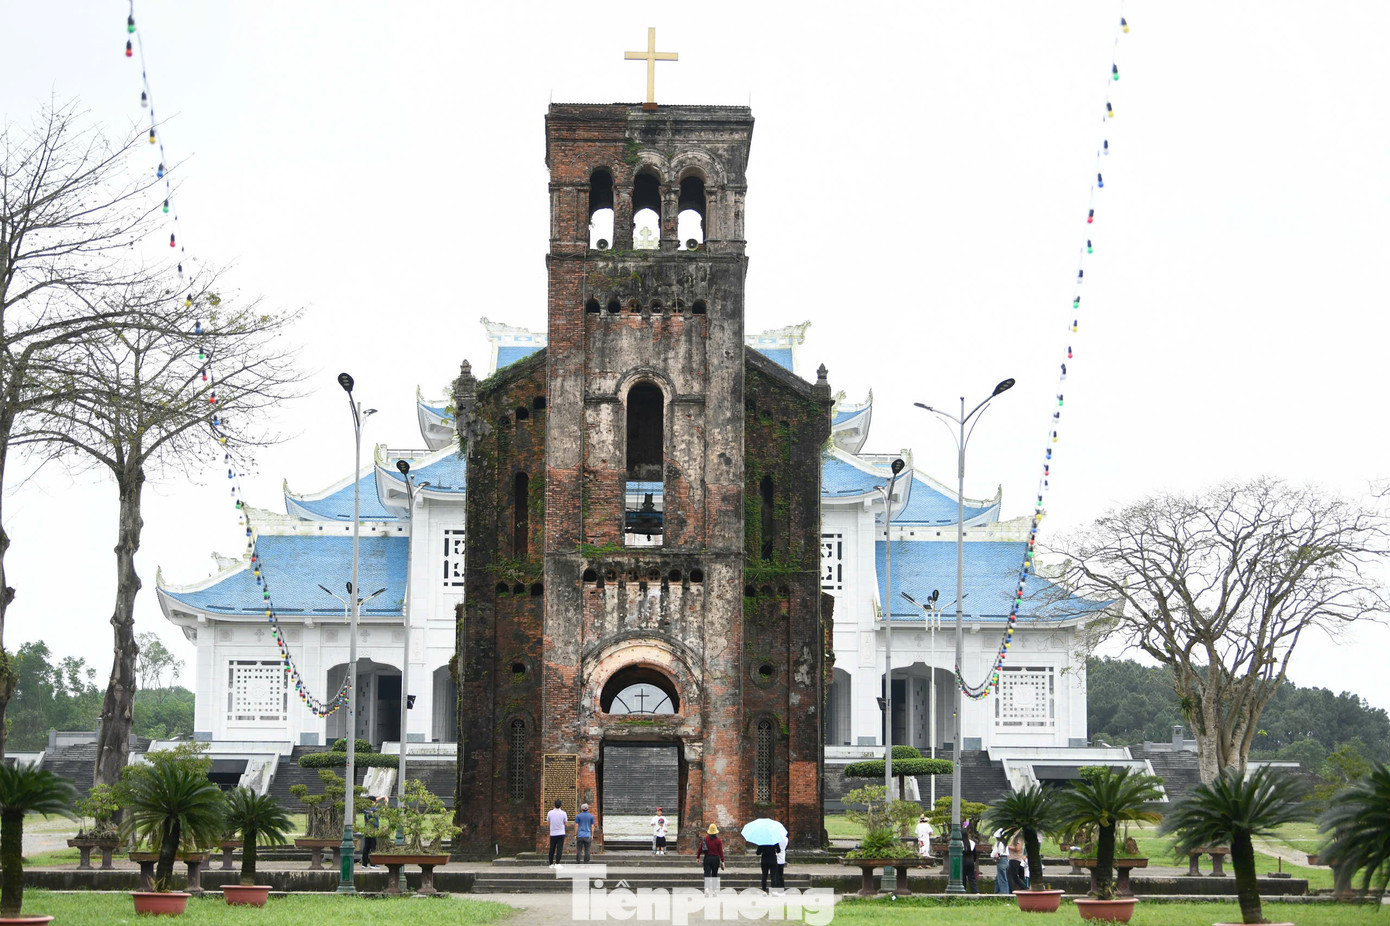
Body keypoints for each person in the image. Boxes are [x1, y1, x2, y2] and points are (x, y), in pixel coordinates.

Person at [696, 823, 725, 897]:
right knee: (714, 874)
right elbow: (720, 851)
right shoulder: (718, 841)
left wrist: (698, 857)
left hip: (707, 858)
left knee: (707, 874)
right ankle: (714, 891)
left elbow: (700, 848)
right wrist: (723, 861)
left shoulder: (705, 839)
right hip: (716, 859)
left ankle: (707, 889)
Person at [361, 795, 387, 869]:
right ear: (373, 802)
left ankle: (364, 864)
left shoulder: (366, 809)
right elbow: (383, 809)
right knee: (373, 846)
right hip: (373, 830)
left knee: (366, 847)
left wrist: (382, 797)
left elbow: (373, 800)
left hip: (367, 829)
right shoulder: (375, 810)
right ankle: (373, 864)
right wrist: (386, 801)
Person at [546, 799, 568, 868]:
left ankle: (551, 863)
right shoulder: (563, 813)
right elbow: (565, 823)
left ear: (554, 805)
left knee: (552, 848)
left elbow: (548, 823)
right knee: (559, 848)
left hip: (553, 833)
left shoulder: (550, 813)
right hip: (561, 833)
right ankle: (557, 863)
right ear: (561, 805)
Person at [991, 827, 1011, 894]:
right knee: (998, 879)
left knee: (1002, 880)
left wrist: (992, 856)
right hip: (1006, 860)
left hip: (1001, 861)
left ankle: (1005, 894)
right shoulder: (1005, 843)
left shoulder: (998, 843)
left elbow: (993, 853)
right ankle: (996, 893)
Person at [961, 819, 979, 893]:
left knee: (963, 878)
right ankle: (975, 892)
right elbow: (975, 854)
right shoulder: (972, 843)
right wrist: (973, 861)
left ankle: (963, 891)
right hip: (971, 861)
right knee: (972, 878)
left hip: (963, 861)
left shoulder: (960, 843)